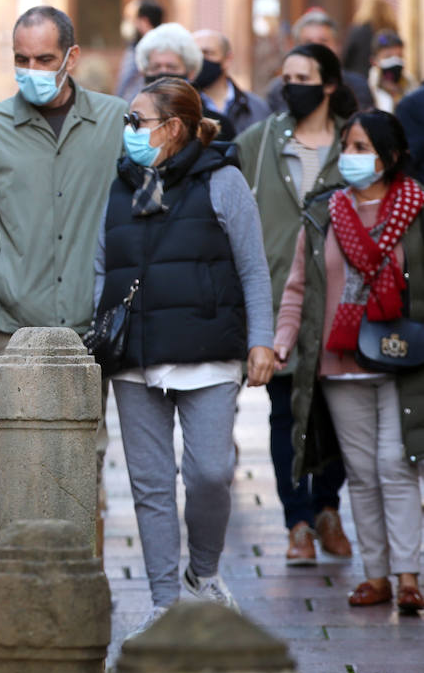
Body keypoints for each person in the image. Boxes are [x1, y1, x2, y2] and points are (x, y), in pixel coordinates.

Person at [95, 79, 275, 633]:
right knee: (149, 485)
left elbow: (252, 267)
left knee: (210, 474)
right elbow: (103, 268)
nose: (128, 132)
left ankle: (204, 573)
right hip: (137, 358)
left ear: (172, 128)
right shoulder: (120, 186)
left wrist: (261, 340)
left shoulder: (224, 182)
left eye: (137, 121)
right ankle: (163, 599)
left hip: (210, 353)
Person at [274, 110, 424, 612]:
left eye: (362, 147)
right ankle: (376, 575)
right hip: (338, 362)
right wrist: (281, 341)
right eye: (348, 147)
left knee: (395, 466)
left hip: (402, 360)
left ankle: (409, 576)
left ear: (392, 155)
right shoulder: (323, 213)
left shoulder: (416, 211)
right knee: (361, 472)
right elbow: (299, 286)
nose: (352, 157)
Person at [0, 6, 127, 359]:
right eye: (22, 59)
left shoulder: (116, 120)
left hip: (93, 324)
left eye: (45, 59)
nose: (32, 71)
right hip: (14, 328)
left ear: (71, 57)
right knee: (19, 418)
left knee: (91, 418)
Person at [236, 43, 356, 565]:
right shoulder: (261, 141)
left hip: (341, 301)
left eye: (302, 76)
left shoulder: (354, 141)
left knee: (339, 413)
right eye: (285, 77)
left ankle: (328, 507)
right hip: (274, 297)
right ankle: (298, 523)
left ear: (328, 84)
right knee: (284, 413)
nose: (290, 86)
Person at [136, 23, 235, 141]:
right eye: (156, 67)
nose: (163, 74)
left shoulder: (215, 127)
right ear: (144, 72)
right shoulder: (132, 122)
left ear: (191, 73)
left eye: (171, 67)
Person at [264, 11, 373, 112]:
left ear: (338, 46)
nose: (316, 48)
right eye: (308, 42)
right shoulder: (279, 89)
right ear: (295, 47)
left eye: (323, 41)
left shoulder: (358, 86)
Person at [193, 29, 269, 136]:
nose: (200, 60)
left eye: (207, 53)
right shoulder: (183, 105)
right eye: (195, 54)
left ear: (227, 59)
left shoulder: (255, 108)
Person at [116, 0, 163, 101]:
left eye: (130, 18)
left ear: (144, 21)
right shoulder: (134, 48)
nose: (128, 23)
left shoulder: (144, 52)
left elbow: (124, 85)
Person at [343, 0, 399, 77]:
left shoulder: (358, 30)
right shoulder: (389, 34)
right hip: (385, 76)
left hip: (358, 76)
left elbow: (347, 56)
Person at [368, 31, 413, 112]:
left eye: (399, 56)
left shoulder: (411, 87)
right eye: (388, 57)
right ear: (374, 61)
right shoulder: (366, 90)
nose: (395, 61)